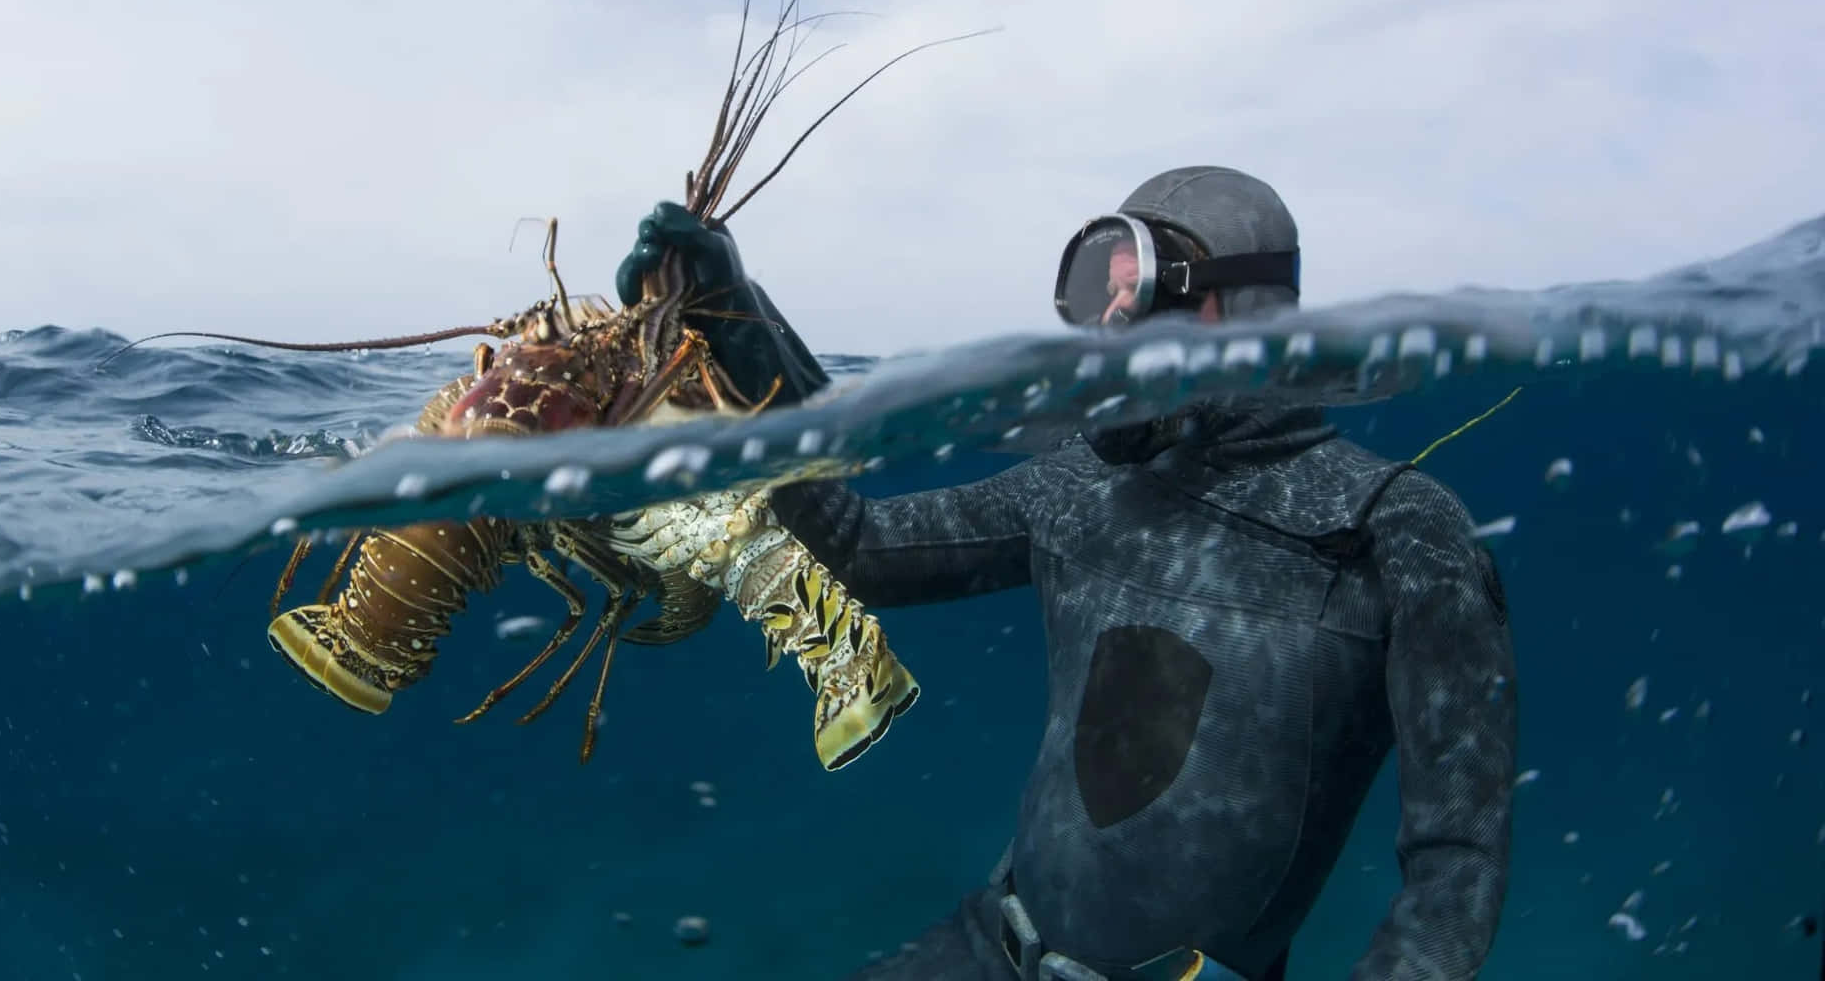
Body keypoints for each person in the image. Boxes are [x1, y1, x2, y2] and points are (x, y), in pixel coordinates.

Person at [613, 166, 1518, 981]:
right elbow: (864, 549)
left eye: (1138, 296)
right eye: (1096, 296)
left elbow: (1456, 863)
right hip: (987, 944)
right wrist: (734, 315)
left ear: (1246, 313)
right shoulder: (1078, 480)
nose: (1106, 334)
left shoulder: (1394, 527)